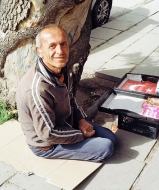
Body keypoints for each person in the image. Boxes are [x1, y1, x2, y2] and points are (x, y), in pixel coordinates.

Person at [16, 24, 116, 162]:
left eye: (63, 44)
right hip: (48, 144)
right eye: (52, 46)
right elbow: (48, 134)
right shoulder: (38, 89)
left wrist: (80, 120)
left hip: (65, 125)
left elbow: (71, 98)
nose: (60, 51)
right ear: (39, 51)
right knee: (106, 147)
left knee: (112, 137)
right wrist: (80, 134)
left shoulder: (61, 69)